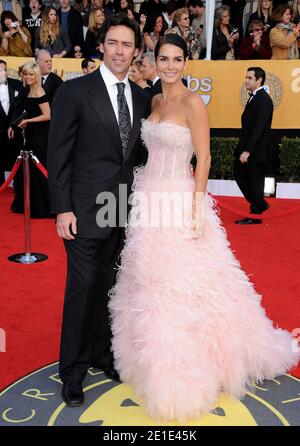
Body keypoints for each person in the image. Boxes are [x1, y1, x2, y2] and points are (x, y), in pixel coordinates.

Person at [108, 34, 300, 422]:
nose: (170, 66)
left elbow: (206, 157)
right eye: (164, 58)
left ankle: (185, 370)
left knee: (183, 282)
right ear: (154, 61)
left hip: (179, 199)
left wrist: (196, 208)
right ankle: (150, 361)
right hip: (147, 197)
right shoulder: (153, 100)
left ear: (187, 63)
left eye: (178, 59)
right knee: (149, 280)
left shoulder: (193, 102)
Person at [47, 13, 151, 407]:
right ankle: (72, 371)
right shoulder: (75, 92)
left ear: (136, 51)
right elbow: (57, 155)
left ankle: (102, 354)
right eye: (113, 43)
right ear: (101, 45)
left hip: (122, 212)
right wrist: (62, 209)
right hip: (84, 211)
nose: (120, 50)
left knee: (108, 288)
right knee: (80, 290)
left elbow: (137, 158)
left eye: (127, 44)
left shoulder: (141, 98)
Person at [9, 61, 52, 218]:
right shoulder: (27, 90)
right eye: (25, 74)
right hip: (30, 134)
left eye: (31, 74)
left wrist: (29, 121)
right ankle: (30, 204)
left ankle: (43, 207)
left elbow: (48, 115)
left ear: (37, 75)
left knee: (38, 168)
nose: (28, 76)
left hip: (41, 135)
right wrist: (17, 124)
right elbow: (26, 112)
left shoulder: (39, 91)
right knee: (29, 169)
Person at [234, 67, 273, 224]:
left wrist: (247, 151)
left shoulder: (264, 99)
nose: (246, 80)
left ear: (259, 80)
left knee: (254, 181)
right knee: (240, 174)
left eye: (250, 78)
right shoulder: (256, 97)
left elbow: (259, 127)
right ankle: (259, 204)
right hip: (250, 148)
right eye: (246, 77)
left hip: (256, 150)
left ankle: (256, 213)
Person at [0, 59, 23, 185]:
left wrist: (13, 125)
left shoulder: (16, 84)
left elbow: (20, 107)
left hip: (14, 129)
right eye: (1, 70)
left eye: (5, 69)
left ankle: (18, 185)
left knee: (16, 157)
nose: (4, 72)